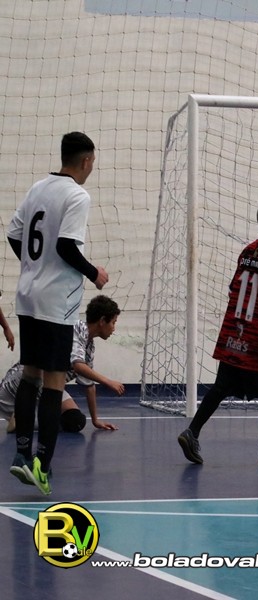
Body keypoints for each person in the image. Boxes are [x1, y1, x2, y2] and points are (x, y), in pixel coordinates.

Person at [6, 131, 109, 495]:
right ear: (86, 160)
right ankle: (42, 466)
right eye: (93, 162)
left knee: (30, 374)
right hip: (55, 303)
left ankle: (21, 455)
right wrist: (94, 273)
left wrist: (34, 267)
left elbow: (14, 234)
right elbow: (66, 245)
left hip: (28, 295)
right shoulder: (77, 195)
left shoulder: (38, 188)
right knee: (53, 382)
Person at [178, 198, 258, 466]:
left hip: (234, 330)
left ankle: (192, 431)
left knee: (222, 385)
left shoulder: (247, 252)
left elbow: (234, 287)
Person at [1, 294, 123, 435]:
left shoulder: (89, 346)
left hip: (48, 384)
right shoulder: (75, 328)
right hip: (24, 382)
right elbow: (78, 365)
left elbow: (89, 385)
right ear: (102, 321)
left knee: (75, 421)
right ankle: (24, 419)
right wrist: (108, 382)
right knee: (51, 414)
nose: (114, 328)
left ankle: (22, 419)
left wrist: (96, 420)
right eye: (113, 322)